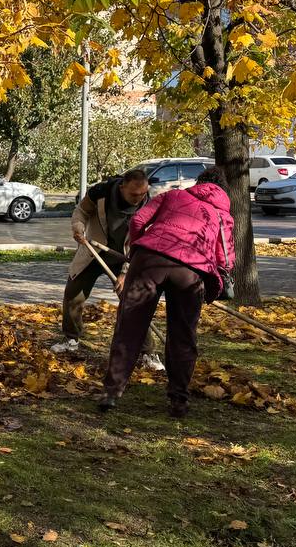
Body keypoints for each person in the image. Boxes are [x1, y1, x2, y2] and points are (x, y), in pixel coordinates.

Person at [100, 166, 234, 418]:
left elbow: (139, 220)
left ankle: (111, 393)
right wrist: (218, 278)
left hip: (149, 262)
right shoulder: (222, 216)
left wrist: (136, 251)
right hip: (191, 273)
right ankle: (178, 401)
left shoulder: (173, 196)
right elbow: (225, 258)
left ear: (198, 183)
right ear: (223, 190)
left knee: (129, 327)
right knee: (183, 335)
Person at [51, 169, 163, 371]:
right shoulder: (101, 192)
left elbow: (142, 244)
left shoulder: (149, 205)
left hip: (127, 258)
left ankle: (148, 353)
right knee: (73, 295)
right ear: (122, 187)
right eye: (134, 194)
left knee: (134, 304)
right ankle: (71, 340)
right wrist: (78, 226)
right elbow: (82, 211)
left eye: (143, 193)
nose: (139, 198)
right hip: (94, 251)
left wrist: (125, 272)